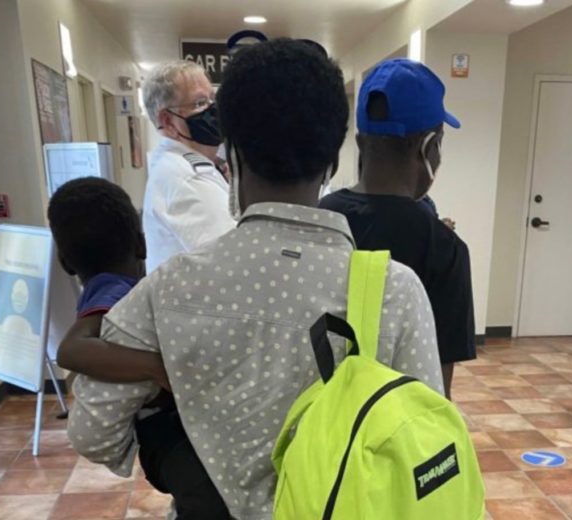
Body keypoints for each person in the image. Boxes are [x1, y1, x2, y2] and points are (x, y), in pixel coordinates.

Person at [66, 39, 443, 520]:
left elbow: (92, 432)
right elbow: (425, 446)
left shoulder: (170, 288)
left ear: (233, 153)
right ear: (333, 157)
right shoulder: (396, 291)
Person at [51, 178, 229, 519]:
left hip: (177, 434)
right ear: (141, 245)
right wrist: (155, 367)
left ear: (65, 261)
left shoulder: (110, 294)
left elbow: (71, 349)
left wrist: (154, 368)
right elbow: (76, 348)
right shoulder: (123, 293)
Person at [320, 59, 475, 398]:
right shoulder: (444, 248)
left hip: (318, 426)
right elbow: (437, 387)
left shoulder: (321, 220)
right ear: (430, 148)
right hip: (397, 437)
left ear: (360, 143)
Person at [142, 60, 234, 273]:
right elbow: (233, 261)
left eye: (213, 99)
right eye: (200, 103)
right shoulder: (188, 179)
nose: (213, 110)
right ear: (167, 121)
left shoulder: (187, 166)